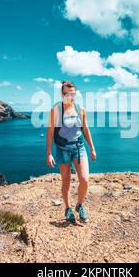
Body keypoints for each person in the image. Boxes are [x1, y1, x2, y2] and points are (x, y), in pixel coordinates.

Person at [46, 81, 97, 223]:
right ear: (62, 94)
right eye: (67, 93)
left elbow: (85, 129)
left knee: (85, 180)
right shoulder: (56, 110)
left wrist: (92, 148)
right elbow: (50, 133)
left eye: (73, 93)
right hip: (62, 149)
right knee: (66, 180)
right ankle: (68, 208)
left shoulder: (80, 109)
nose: (70, 96)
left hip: (79, 147)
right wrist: (49, 153)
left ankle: (80, 205)